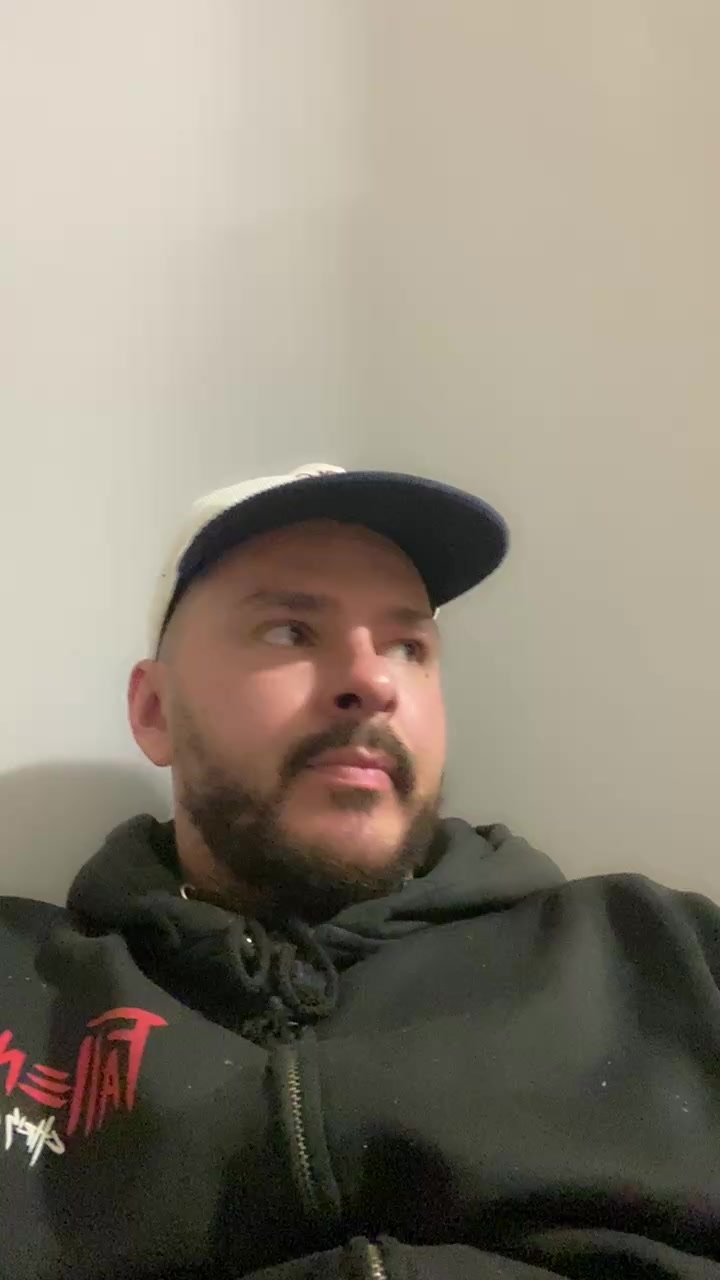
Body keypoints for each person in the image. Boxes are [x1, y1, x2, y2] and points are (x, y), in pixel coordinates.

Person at [1, 461, 719, 1280]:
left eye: (408, 646)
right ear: (154, 711)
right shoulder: (24, 996)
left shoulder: (663, 957)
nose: (374, 682)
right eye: (289, 632)